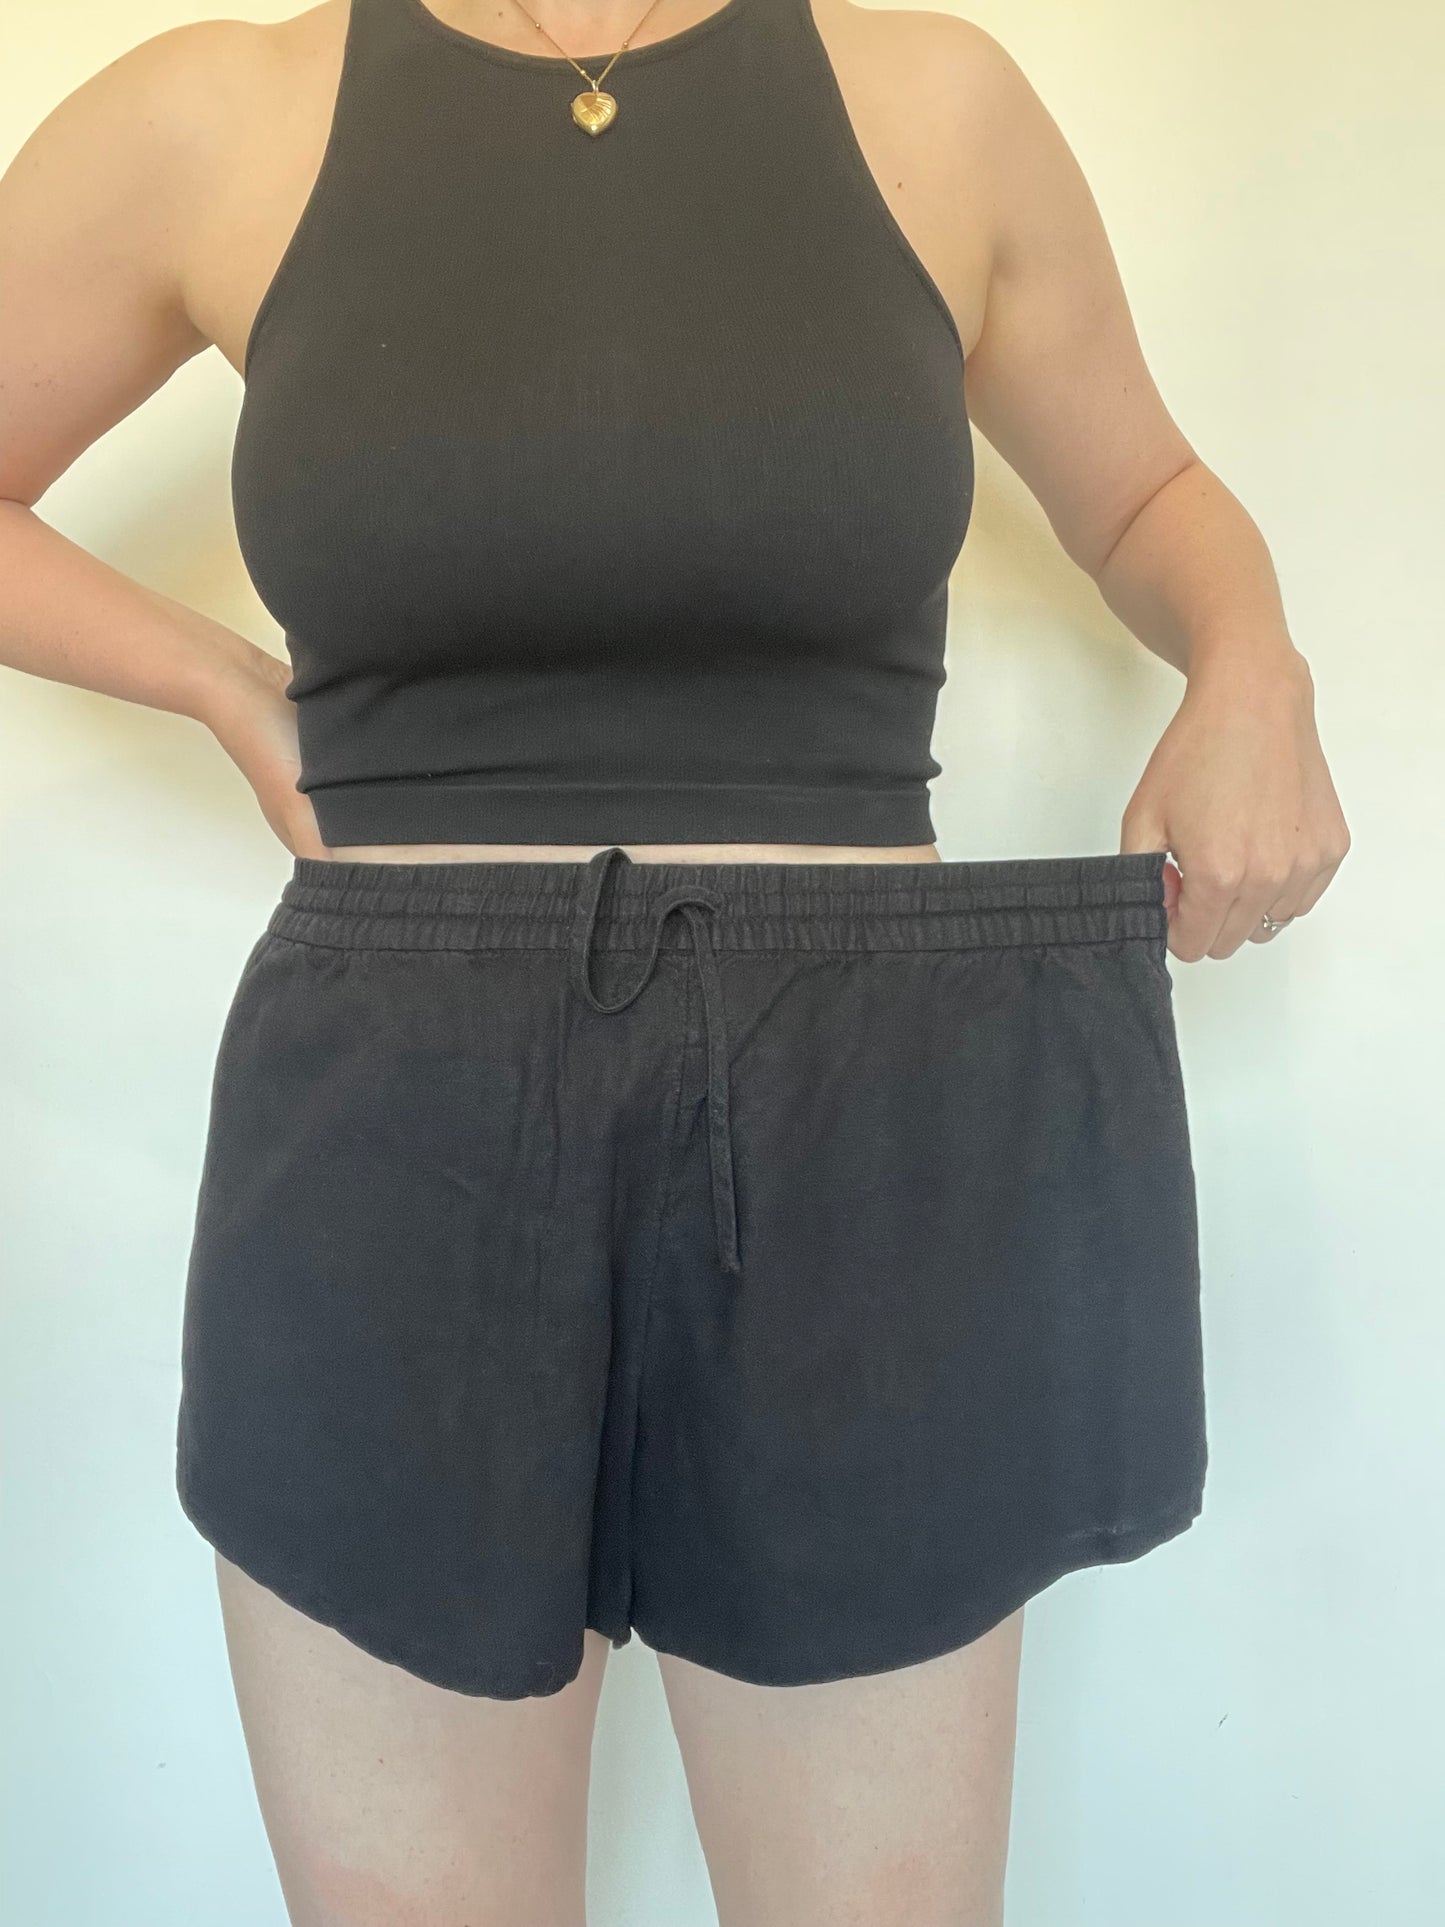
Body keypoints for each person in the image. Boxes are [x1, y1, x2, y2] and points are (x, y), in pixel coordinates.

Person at [0, 1, 1348, 1922]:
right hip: (400, 1117)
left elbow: (1143, 495)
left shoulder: (933, 102)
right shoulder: (218, 116)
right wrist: (217, 679)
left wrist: (1251, 660)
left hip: (858, 1116)